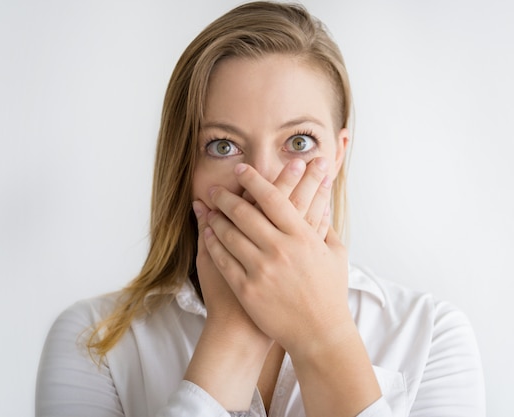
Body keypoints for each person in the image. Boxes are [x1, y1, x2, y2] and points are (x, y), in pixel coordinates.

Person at [35, 2, 485, 416]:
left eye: (299, 142)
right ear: (185, 165)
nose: (264, 179)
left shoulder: (431, 335)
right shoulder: (93, 341)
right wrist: (233, 334)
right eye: (223, 145)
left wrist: (324, 336)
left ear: (340, 153)